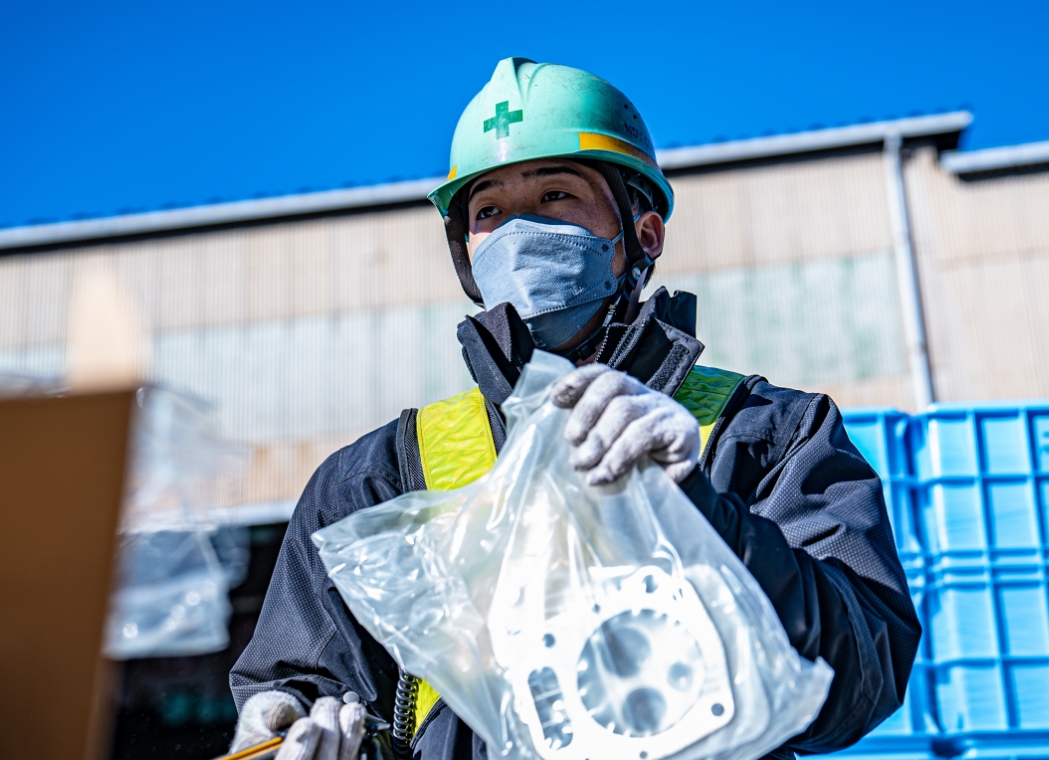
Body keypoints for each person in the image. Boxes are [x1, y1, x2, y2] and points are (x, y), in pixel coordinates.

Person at [227, 58, 919, 760]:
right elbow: (310, 686)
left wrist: (704, 518)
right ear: (468, 254)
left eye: (556, 194)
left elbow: (860, 677)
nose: (519, 234)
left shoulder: (767, 432)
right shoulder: (374, 479)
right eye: (488, 211)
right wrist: (290, 727)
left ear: (641, 236)